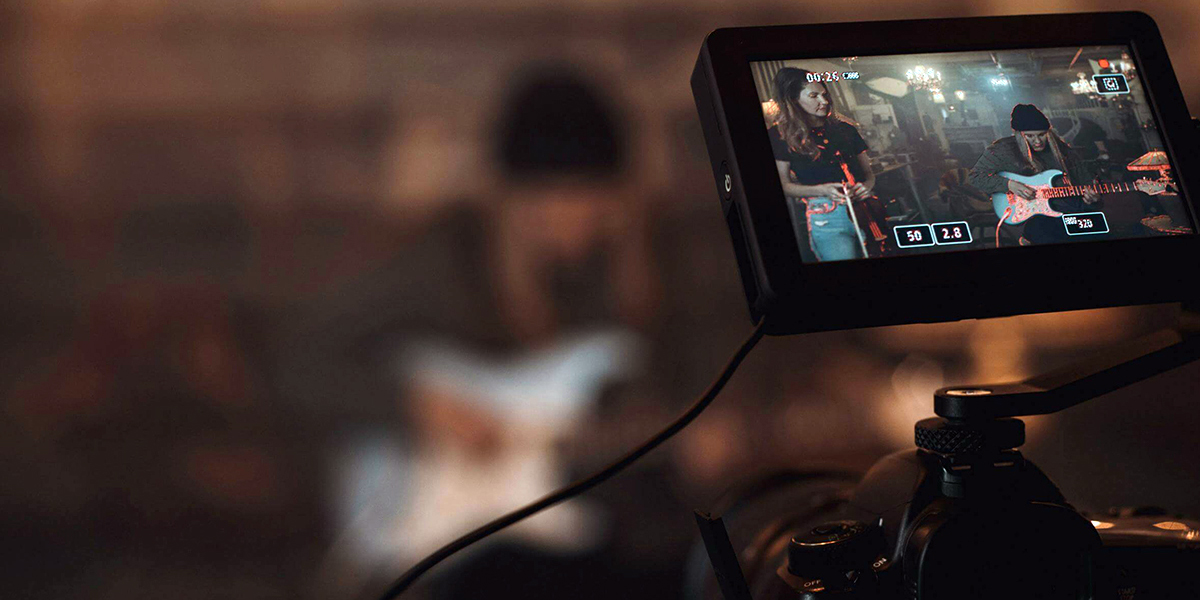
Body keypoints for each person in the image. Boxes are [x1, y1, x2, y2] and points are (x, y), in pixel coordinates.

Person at [767, 67, 876, 262]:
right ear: (793, 100)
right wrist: (822, 190)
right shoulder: (779, 136)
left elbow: (869, 174)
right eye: (814, 96)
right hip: (827, 216)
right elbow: (783, 186)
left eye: (824, 95)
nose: (824, 101)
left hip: (866, 208)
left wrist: (866, 187)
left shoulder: (846, 129)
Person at [968, 103, 1099, 244]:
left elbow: (1086, 183)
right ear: (1019, 135)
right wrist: (1009, 185)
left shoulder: (1064, 151)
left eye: (1042, 135)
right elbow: (975, 177)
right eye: (1030, 136)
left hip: (1072, 214)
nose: (1037, 141)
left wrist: (1093, 198)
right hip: (1036, 220)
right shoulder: (1003, 150)